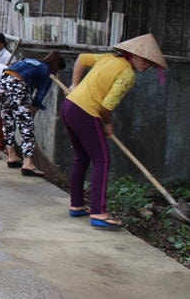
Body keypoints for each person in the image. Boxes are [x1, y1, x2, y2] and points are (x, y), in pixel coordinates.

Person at [61, 34, 167, 230]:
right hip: (86, 112)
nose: (146, 65)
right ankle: (98, 212)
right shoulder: (128, 74)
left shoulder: (108, 58)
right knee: (102, 160)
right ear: (132, 55)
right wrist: (107, 123)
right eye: (144, 60)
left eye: (150, 63)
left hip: (69, 106)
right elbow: (106, 107)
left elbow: (82, 59)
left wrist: (75, 85)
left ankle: (76, 205)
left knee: (82, 158)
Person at [0, 51, 66, 177]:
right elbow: (39, 97)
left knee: (8, 121)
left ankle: (12, 156)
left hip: (3, 82)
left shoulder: (32, 61)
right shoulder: (47, 72)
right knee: (26, 127)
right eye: (59, 71)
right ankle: (28, 163)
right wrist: (30, 115)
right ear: (57, 67)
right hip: (17, 85)